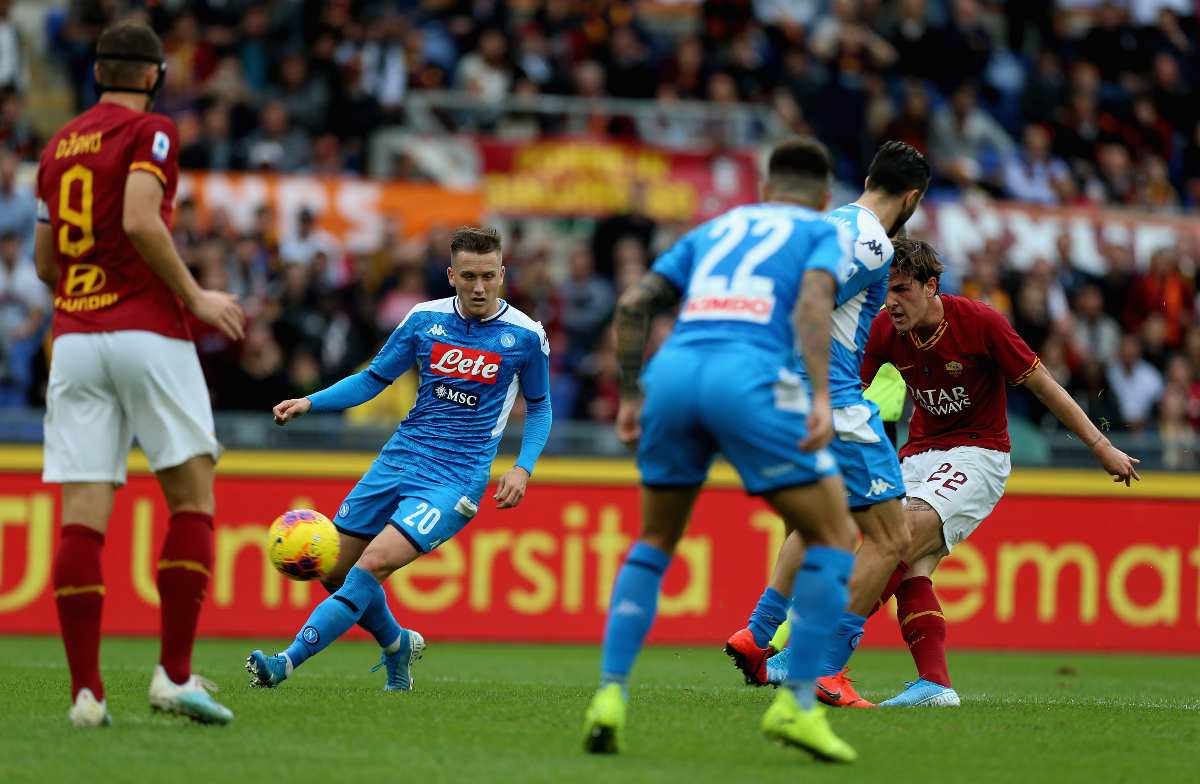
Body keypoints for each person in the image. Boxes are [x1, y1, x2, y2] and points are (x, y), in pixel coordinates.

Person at [582, 138, 859, 763]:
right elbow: (815, 303)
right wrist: (820, 395)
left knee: (654, 542)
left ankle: (610, 695)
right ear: (821, 198)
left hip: (673, 375)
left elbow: (633, 303)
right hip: (750, 379)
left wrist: (629, 395)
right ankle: (796, 705)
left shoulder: (717, 227)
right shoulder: (820, 230)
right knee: (835, 536)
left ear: (764, 191)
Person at [33, 21, 246, 728]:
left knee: (82, 519)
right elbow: (140, 219)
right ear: (153, 74)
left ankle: (86, 695)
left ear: (97, 71)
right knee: (191, 498)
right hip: (147, 331)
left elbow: (42, 263)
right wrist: (197, 296)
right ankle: (173, 676)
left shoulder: (58, 145)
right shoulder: (152, 132)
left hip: (75, 336)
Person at [834, 238, 1138, 706]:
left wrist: (1101, 445)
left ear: (931, 286)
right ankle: (934, 685)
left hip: (979, 454)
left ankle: (823, 655)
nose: (891, 302)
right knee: (910, 565)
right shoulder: (884, 330)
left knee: (901, 533)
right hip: (917, 455)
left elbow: (1044, 386)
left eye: (901, 290)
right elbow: (849, 393)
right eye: (885, 291)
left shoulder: (979, 322)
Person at [246, 226, 551, 691]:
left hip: (455, 479)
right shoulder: (422, 320)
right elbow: (372, 380)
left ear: (503, 272)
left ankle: (284, 662)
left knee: (371, 566)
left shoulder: (525, 336)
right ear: (451, 275)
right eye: (468, 276)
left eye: (489, 276)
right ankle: (397, 645)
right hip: (398, 459)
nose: (479, 287)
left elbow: (542, 406)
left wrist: (523, 467)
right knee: (335, 570)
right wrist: (311, 401)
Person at [723, 142, 930, 709]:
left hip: (788, 399)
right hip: (834, 403)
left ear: (867, 177)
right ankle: (825, 669)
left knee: (823, 524)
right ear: (912, 198)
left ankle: (758, 634)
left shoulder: (826, 223)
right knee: (893, 538)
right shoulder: (870, 241)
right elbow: (804, 304)